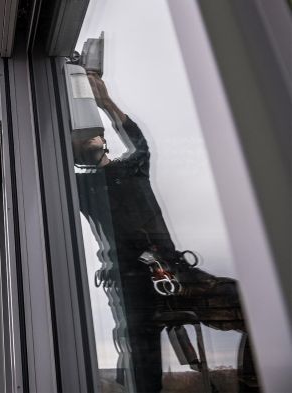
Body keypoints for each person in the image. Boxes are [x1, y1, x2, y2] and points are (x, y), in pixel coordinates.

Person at [72, 72, 258, 392]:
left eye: (93, 133)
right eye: (79, 138)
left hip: (174, 271)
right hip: (131, 286)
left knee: (252, 306)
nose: (88, 138)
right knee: (143, 374)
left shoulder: (133, 166)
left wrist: (104, 102)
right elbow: (47, 169)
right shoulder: (82, 187)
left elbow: (139, 141)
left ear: (104, 139)